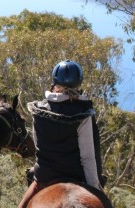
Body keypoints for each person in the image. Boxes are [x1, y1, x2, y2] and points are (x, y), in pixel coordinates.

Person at [18, 60, 105, 207]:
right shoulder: (83, 113)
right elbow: (88, 157)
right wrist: (95, 188)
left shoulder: (38, 110)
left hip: (45, 176)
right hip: (77, 176)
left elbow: (39, 148)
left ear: (54, 81)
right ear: (78, 83)